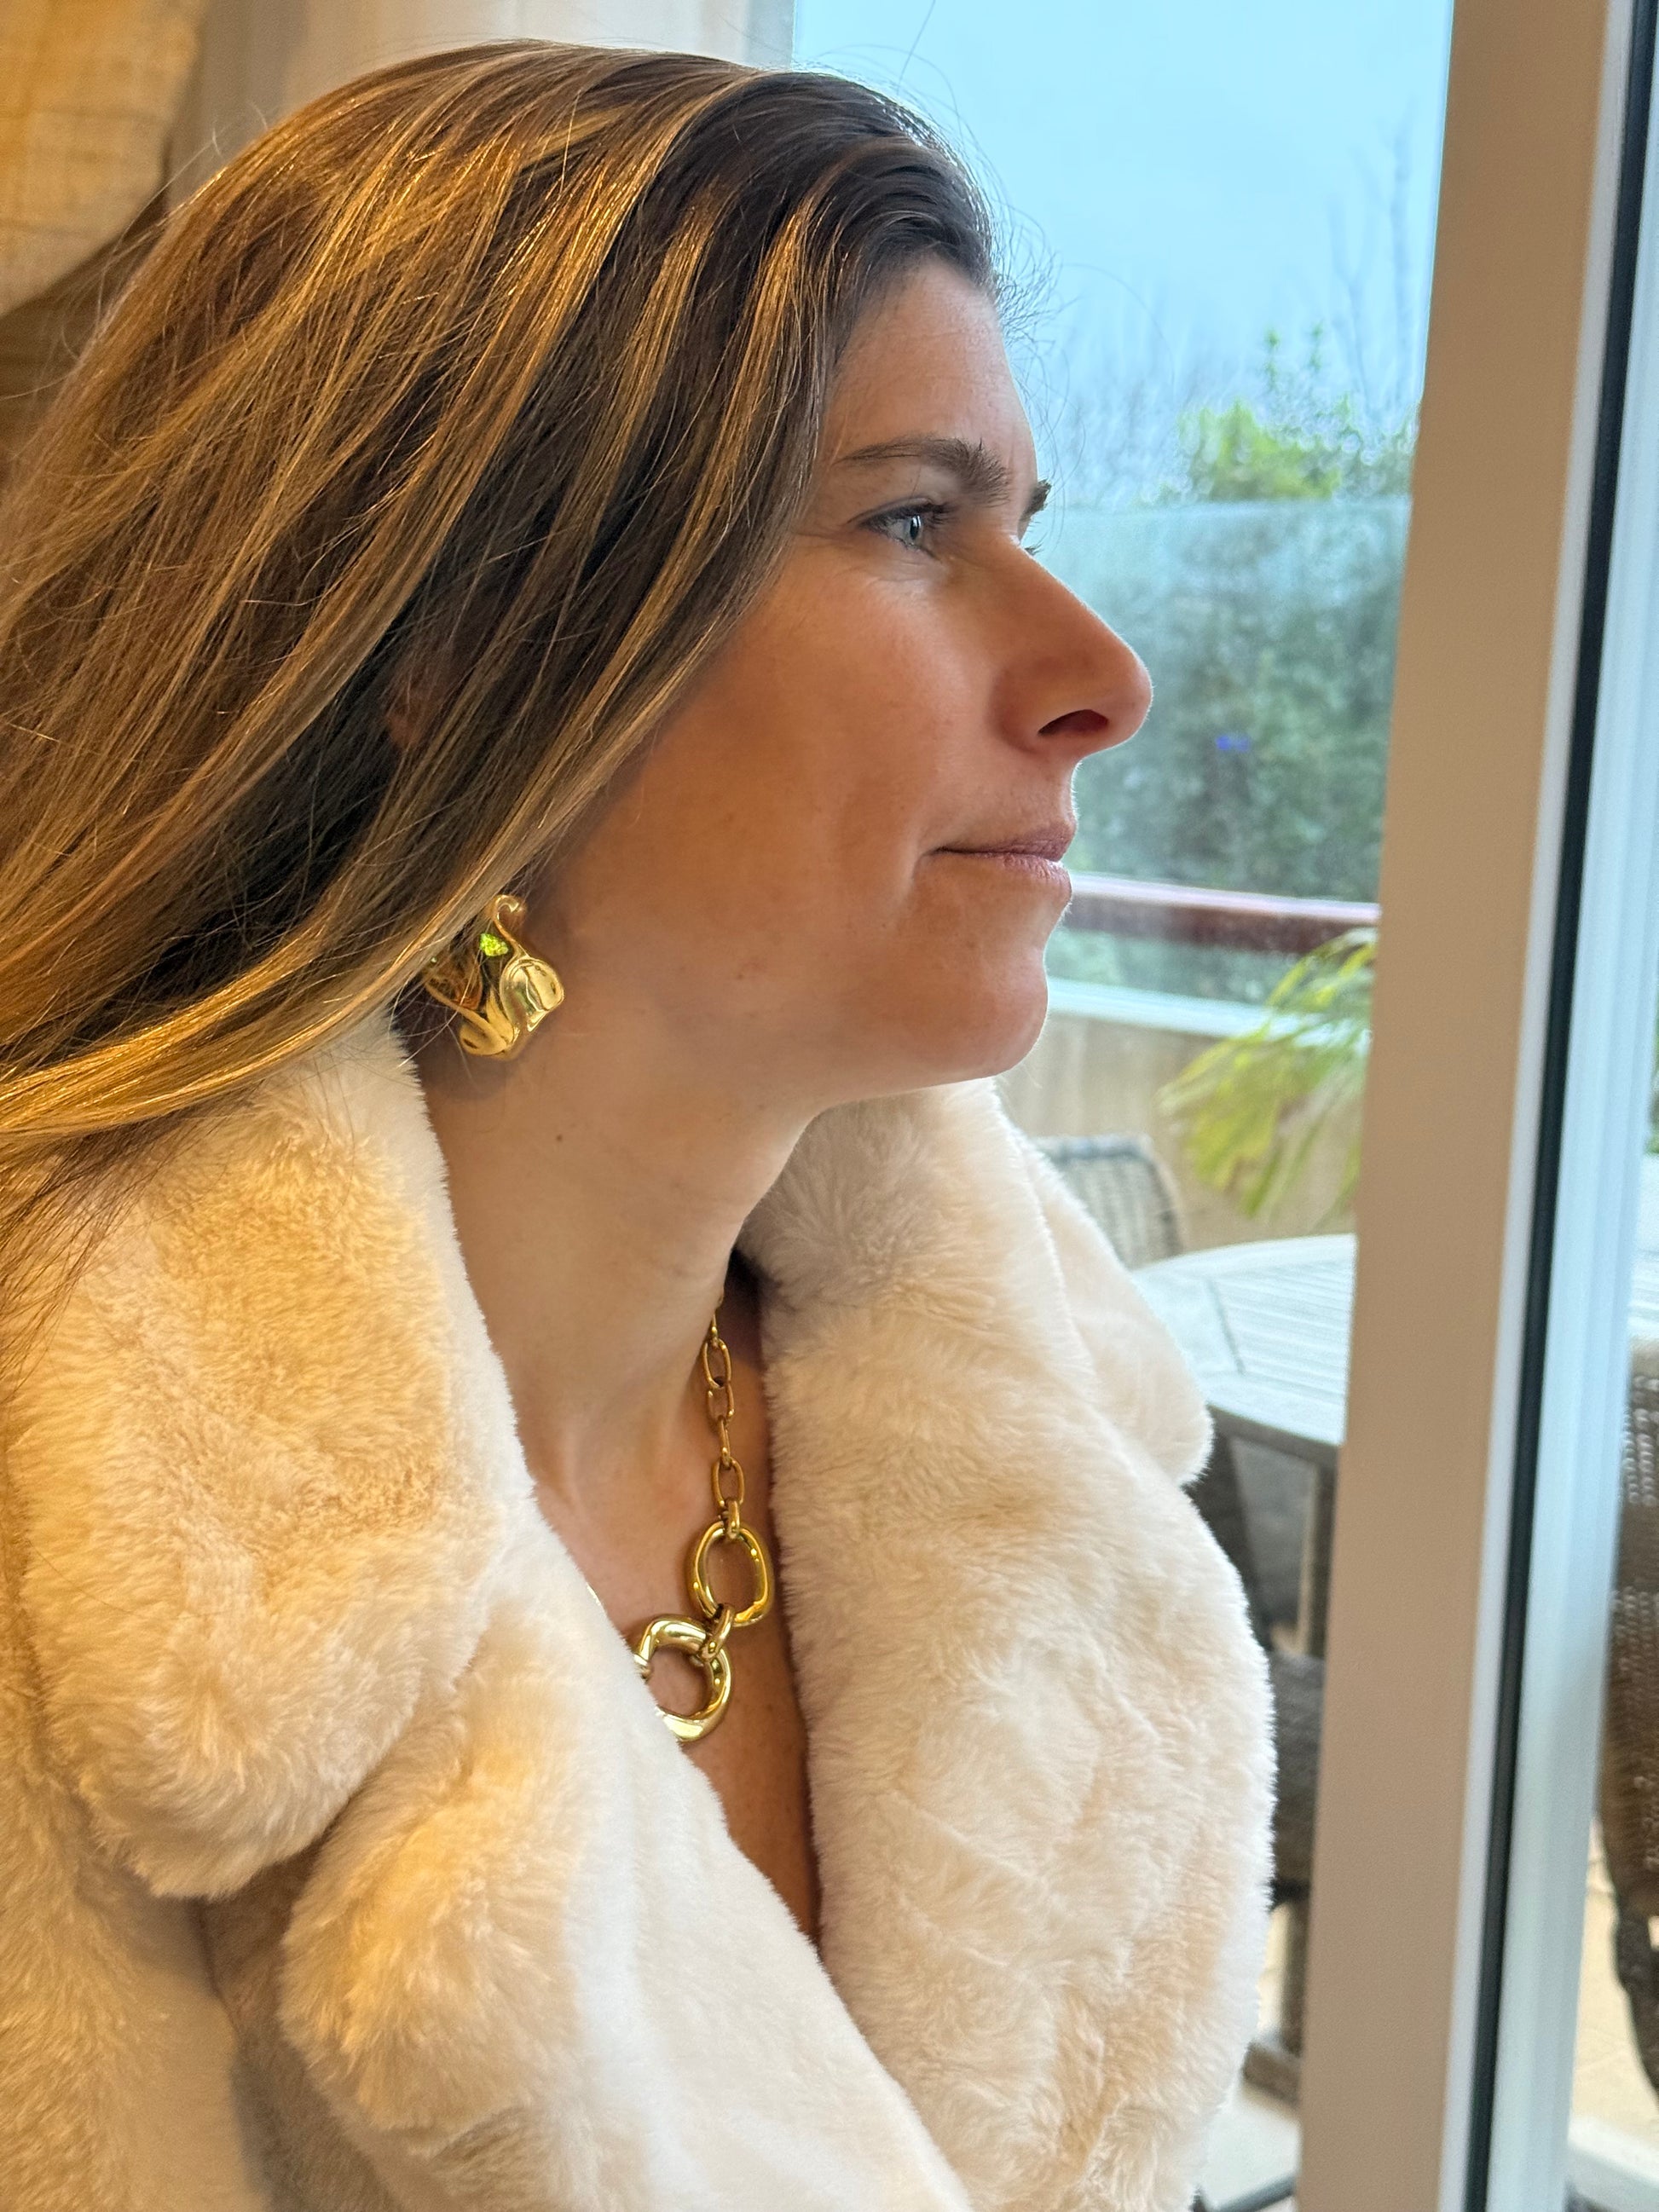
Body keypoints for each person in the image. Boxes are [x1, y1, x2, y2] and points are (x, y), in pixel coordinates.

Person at [0, 41, 1272, 2212]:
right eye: (910, 520)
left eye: (1026, 526)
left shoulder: (1036, 1438)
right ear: (452, 638)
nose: (1100, 675)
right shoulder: (74, 1523)